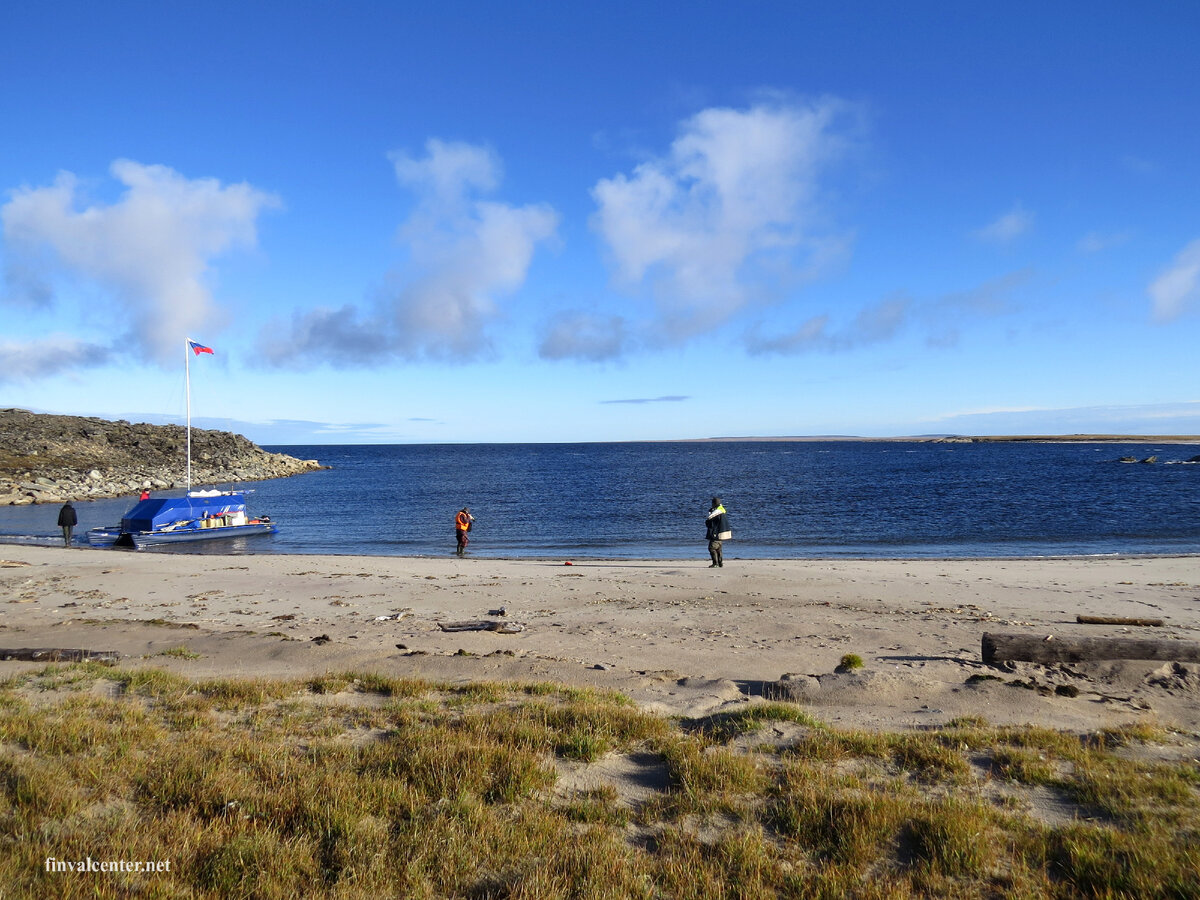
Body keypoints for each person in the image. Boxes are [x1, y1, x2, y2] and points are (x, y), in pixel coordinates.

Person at [705, 497, 730, 568]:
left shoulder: (716, 513)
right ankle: (720, 563)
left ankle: (715, 563)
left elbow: (710, 524)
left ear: (714, 504)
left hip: (716, 533)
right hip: (721, 533)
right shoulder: (722, 510)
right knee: (718, 548)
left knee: (712, 548)